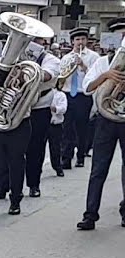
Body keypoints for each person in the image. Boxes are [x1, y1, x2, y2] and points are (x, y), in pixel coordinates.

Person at [0, 32, 46, 220]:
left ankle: (15, 201)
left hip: (18, 123)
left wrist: (17, 95)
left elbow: (34, 100)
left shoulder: (29, 72)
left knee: (16, 163)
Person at [76, 18, 125, 231]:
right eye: (120, 35)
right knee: (98, 168)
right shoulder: (103, 62)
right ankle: (90, 214)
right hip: (105, 119)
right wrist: (106, 76)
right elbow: (87, 87)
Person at [24, 39, 64, 199]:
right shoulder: (18, 56)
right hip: (16, 107)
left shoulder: (51, 60)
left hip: (39, 109)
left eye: (37, 39)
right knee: (11, 149)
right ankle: (5, 185)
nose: (33, 42)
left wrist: (24, 68)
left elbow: (46, 76)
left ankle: (34, 184)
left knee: (35, 148)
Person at [62, 28, 94, 169]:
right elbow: (62, 75)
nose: (80, 42)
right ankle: (66, 158)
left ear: (86, 40)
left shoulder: (93, 57)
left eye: (83, 39)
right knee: (67, 128)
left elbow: (95, 76)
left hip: (83, 95)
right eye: (77, 39)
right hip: (68, 94)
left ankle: (80, 155)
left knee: (82, 127)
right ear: (72, 42)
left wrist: (82, 65)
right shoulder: (66, 57)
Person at [48, 86, 67, 178]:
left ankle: (58, 167)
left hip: (56, 124)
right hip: (44, 123)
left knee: (56, 148)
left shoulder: (60, 95)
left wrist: (54, 108)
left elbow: (63, 108)